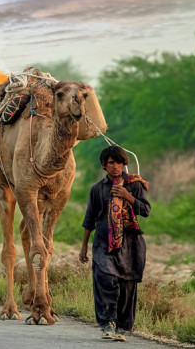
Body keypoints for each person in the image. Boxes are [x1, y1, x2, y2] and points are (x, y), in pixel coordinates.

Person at [79, 145, 151, 342]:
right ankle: (107, 323)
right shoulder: (97, 189)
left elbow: (145, 210)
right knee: (105, 279)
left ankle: (122, 328)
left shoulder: (134, 185)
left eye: (119, 162)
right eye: (111, 163)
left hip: (130, 245)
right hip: (103, 244)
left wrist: (127, 196)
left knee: (127, 287)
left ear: (124, 164)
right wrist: (84, 246)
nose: (115, 166)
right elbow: (89, 219)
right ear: (104, 165)